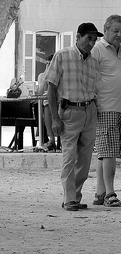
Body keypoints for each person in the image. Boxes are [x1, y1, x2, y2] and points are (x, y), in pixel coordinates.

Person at [44, 22, 102, 211]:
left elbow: (96, 89)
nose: (92, 43)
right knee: (69, 156)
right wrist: (55, 118)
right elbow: (51, 88)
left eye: (94, 40)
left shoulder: (93, 61)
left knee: (84, 160)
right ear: (78, 37)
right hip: (69, 111)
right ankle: (69, 198)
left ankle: (74, 196)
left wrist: (96, 111)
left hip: (89, 110)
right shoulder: (62, 56)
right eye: (88, 38)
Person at [91, 14, 121, 207]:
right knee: (108, 151)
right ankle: (110, 193)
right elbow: (90, 77)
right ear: (105, 29)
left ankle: (100, 192)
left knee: (107, 151)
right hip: (105, 106)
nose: (119, 35)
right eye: (115, 31)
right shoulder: (97, 50)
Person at [37, 54, 56, 151]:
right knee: (46, 105)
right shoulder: (42, 75)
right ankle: (51, 140)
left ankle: (52, 139)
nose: (48, 66)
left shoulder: (59, 74)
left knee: (47, 105)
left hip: (59, 101)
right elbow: (40, 92)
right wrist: (46, 75)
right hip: (47, 101)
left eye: (50, 64)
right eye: (47, 64)